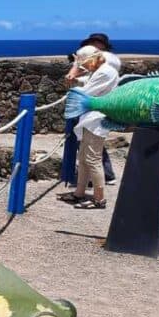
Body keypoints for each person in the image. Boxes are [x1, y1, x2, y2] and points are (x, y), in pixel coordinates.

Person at [58, 46, 119, 209]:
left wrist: (74, 82)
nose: (84, 68)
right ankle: (79, 192)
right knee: (84, 158)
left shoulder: (105, 72)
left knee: (92, 159)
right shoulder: (101, 70)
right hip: (91, 119)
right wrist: (77, 79)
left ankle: (99, 199)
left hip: (96, 119)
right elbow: (89, 82)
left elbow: (87, 92)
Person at [66, 33, 119, 184]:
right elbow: (86, 76)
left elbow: (88, 87)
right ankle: (100, 177)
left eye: (98, 44)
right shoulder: (98, 63)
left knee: (92, 147)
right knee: (91, 146)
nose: (95, 46)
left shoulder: (105, 66)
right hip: (90, 108)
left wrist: (75, 69)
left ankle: (99, 187)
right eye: (93, 43)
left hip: (95, 108)